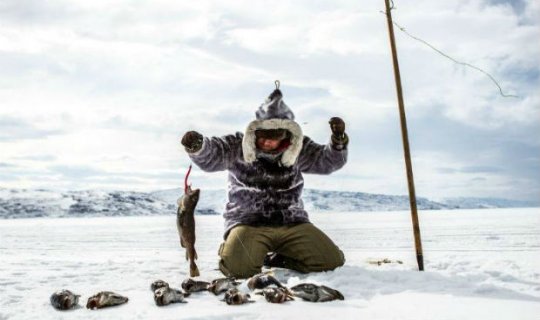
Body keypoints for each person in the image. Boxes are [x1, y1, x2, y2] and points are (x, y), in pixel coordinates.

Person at [181, 86, 349, 278]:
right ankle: (231, 250)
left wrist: (338, 142)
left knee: (332, 262)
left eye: (274, 138)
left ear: (286, 135)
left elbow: (326, 162)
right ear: (255, 131)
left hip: (292, 222)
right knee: (239, 270)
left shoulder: (299, 148)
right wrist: (198, 146)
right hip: (248, 222)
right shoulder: (237, 145)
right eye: (264, 137)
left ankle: (278, 258)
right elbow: (213, 154)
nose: (268, 143)